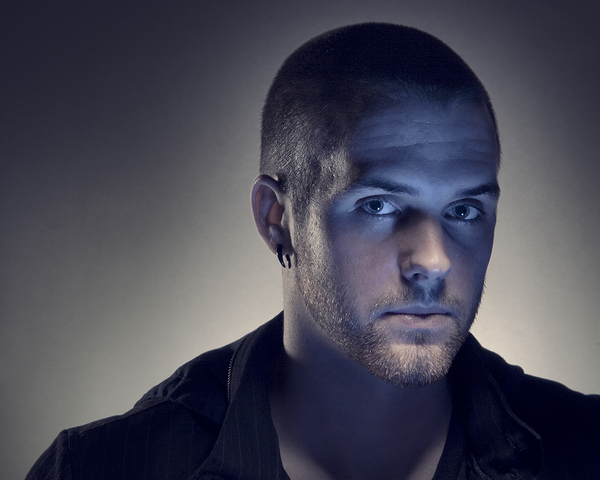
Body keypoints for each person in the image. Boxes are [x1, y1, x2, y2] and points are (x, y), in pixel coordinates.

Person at [26, 22, 599, 480]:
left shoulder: (585, 450)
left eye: (465, 210)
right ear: (277, 220)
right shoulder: (104, 467)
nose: (434, 259)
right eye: (379, 205)